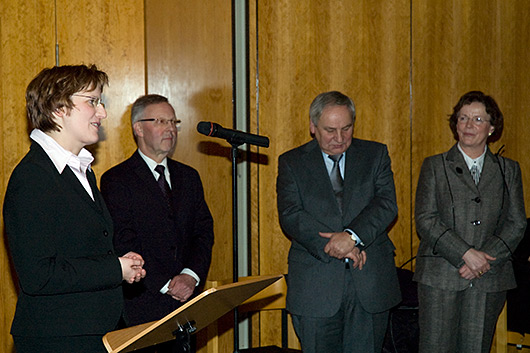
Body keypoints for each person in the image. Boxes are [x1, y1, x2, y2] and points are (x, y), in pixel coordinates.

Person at [3, 64, 147, 353]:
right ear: (58, 108)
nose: (102, 112)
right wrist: (114, 268)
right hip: (58, 340)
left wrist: (121, 262)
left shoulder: (80, 169)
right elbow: (38, 275)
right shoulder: (32, 177)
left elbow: (77, 248)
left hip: (93, 334)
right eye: (92, 101)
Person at [276, 91, 401, 353]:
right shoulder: (292, 162)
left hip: (370, 284)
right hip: (315, 287)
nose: (340, 138)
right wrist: (336, 245)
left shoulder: (375, 154)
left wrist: (352, 237)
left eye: (346, 128)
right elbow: (291, 215)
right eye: (330, 130)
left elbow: (386, 204)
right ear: (313, 127)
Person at [414, 90, 527, 353]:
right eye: (463, 118)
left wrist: (483, 258)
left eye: (477, 119)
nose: (468, 125)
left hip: (490, 278)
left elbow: (517, 223)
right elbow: (425, 219)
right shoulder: (434, 166)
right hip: (441, 277)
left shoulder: (508, 170)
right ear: (455, 124)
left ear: (491, 127)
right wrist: (464, 254)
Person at [100, 94, 214, 352]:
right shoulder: (117, 180)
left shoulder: (189, 177)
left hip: (186, 307)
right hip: (143, 306)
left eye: (174, 122)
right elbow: (122, 240)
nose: (170, 129)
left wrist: (190, 276)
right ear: (138, 128)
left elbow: (203, 232)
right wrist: (166, 284)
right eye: (161, 121)